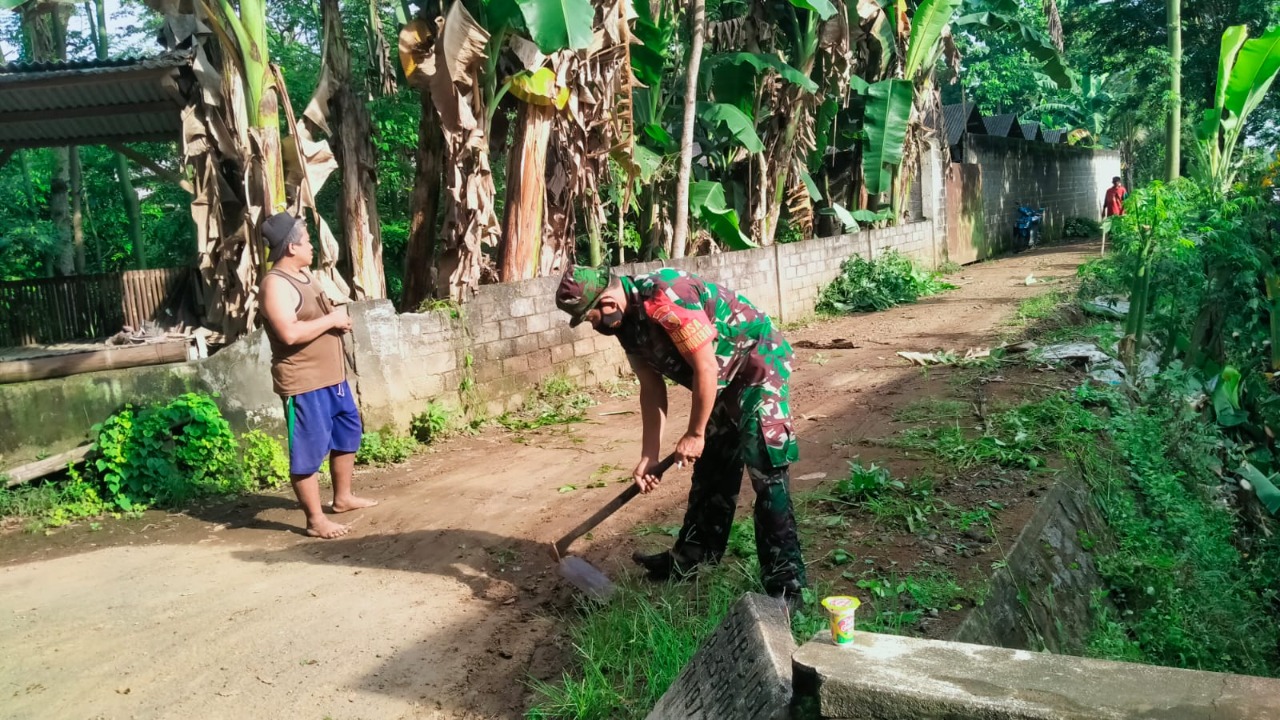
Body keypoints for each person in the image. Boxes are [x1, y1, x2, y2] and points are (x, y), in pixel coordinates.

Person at [555, 265, 807, 602]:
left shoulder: (665, 297)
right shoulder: (625, 326)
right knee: (713, 465)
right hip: (720, 377)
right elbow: (651, 387)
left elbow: (706, 367)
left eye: (590, 318)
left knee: (765, 466)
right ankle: (692, 557)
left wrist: (695, 433)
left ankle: (786, 585)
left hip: (756, 363)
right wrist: (648, 456)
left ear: (609, 304)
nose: (593, 325)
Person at [259, 212, 376, 539]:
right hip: (304, 383)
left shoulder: (305, 276)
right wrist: (332, 321)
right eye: (308, 241)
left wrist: (337, 319)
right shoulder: (275, 285)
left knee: (348, 434)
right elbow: (289, 333)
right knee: (308, 450)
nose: (312, 246)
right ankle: (315, 520)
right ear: (292, 246)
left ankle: (342, 498)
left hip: (333, 379)